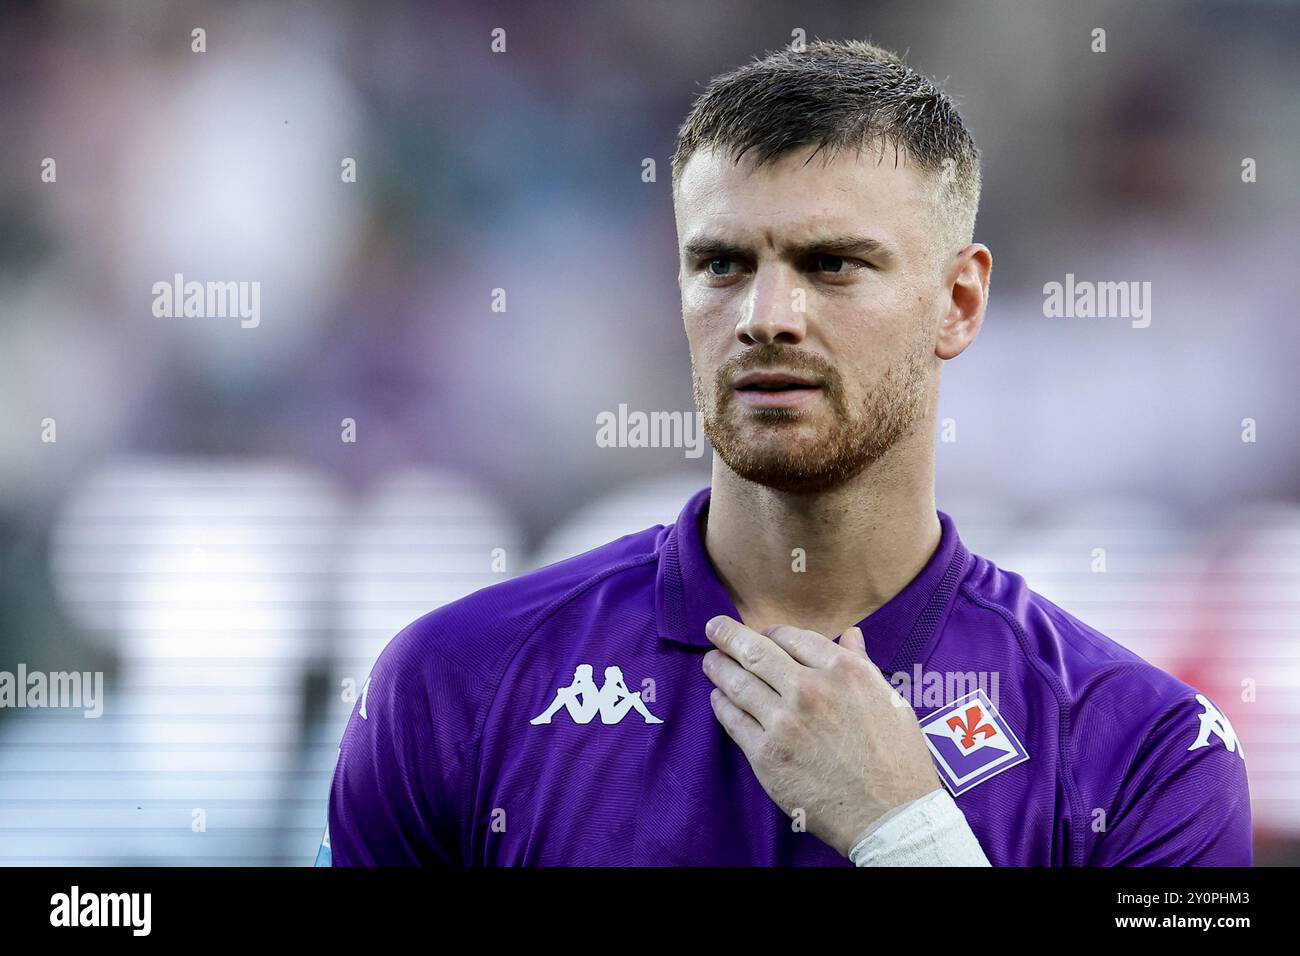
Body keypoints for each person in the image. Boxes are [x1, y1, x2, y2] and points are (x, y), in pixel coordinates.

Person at [326, 39, 1251, 866]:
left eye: (832, 264)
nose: (767, 318)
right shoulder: (453, 685)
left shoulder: (1146, 753)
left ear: (958, 303)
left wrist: (907, 835)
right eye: (722, 264)